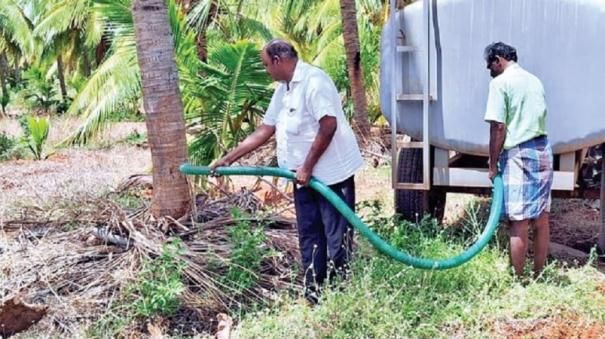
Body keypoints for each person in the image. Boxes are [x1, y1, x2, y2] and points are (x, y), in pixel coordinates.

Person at [211, 39, 364, 303]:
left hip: (331, 175)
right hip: (302, 176)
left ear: (278, 61)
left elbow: (328, 126)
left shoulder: (315, 83)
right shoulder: (284, 89)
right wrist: (229, 158)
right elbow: (265, 129)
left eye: (266, 65)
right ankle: (314, 295)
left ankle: (342, 299)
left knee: (337, 239)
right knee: (310, 235)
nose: (266, 70)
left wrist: (308, 166)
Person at [484, 42, 553, 277]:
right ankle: (538, 274)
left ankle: (518, 280)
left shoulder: (500, 83)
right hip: (543, 149)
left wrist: (492, 164)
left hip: (520, 153)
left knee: (519, 221)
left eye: (489, 65)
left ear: (498, 59)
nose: (489, 70)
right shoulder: (534, 80)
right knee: (541, 218)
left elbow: (498, 126)